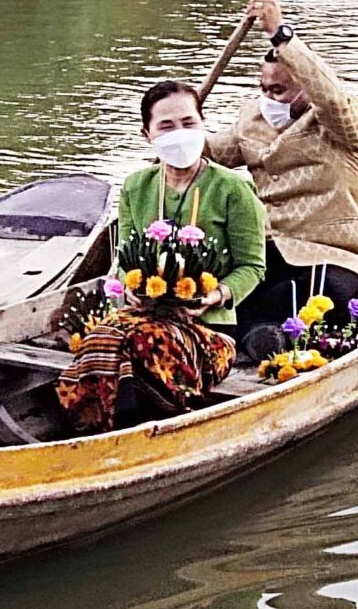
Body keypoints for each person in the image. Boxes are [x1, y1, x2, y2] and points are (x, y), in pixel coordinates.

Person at [57, 80, 266, 431]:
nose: (180, 133)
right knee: (102, 339)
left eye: (188, 122)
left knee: (141, 343)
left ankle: (146, 425)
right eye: (166, 126)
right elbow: (124, 259)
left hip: (207, 328)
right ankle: (100, 428)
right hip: (143, 315)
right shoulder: (137, 186)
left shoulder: (233, 188)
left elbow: (252, 267)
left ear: (202, 124)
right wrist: (129, 289)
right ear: (147, 134)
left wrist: (214, 296)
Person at [207, 0, 358, 359]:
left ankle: (256, 330)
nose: (269, 98)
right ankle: (258, 333)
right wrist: (174, 131)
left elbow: (332, 98)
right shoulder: (251, 120)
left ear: (305, 89)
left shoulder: (345, 127)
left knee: (322, 294)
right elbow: (208, 154)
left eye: (280, 90)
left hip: (332, 255)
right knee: (214, 285)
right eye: (264, 89)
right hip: (270, 250)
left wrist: (280, 34)